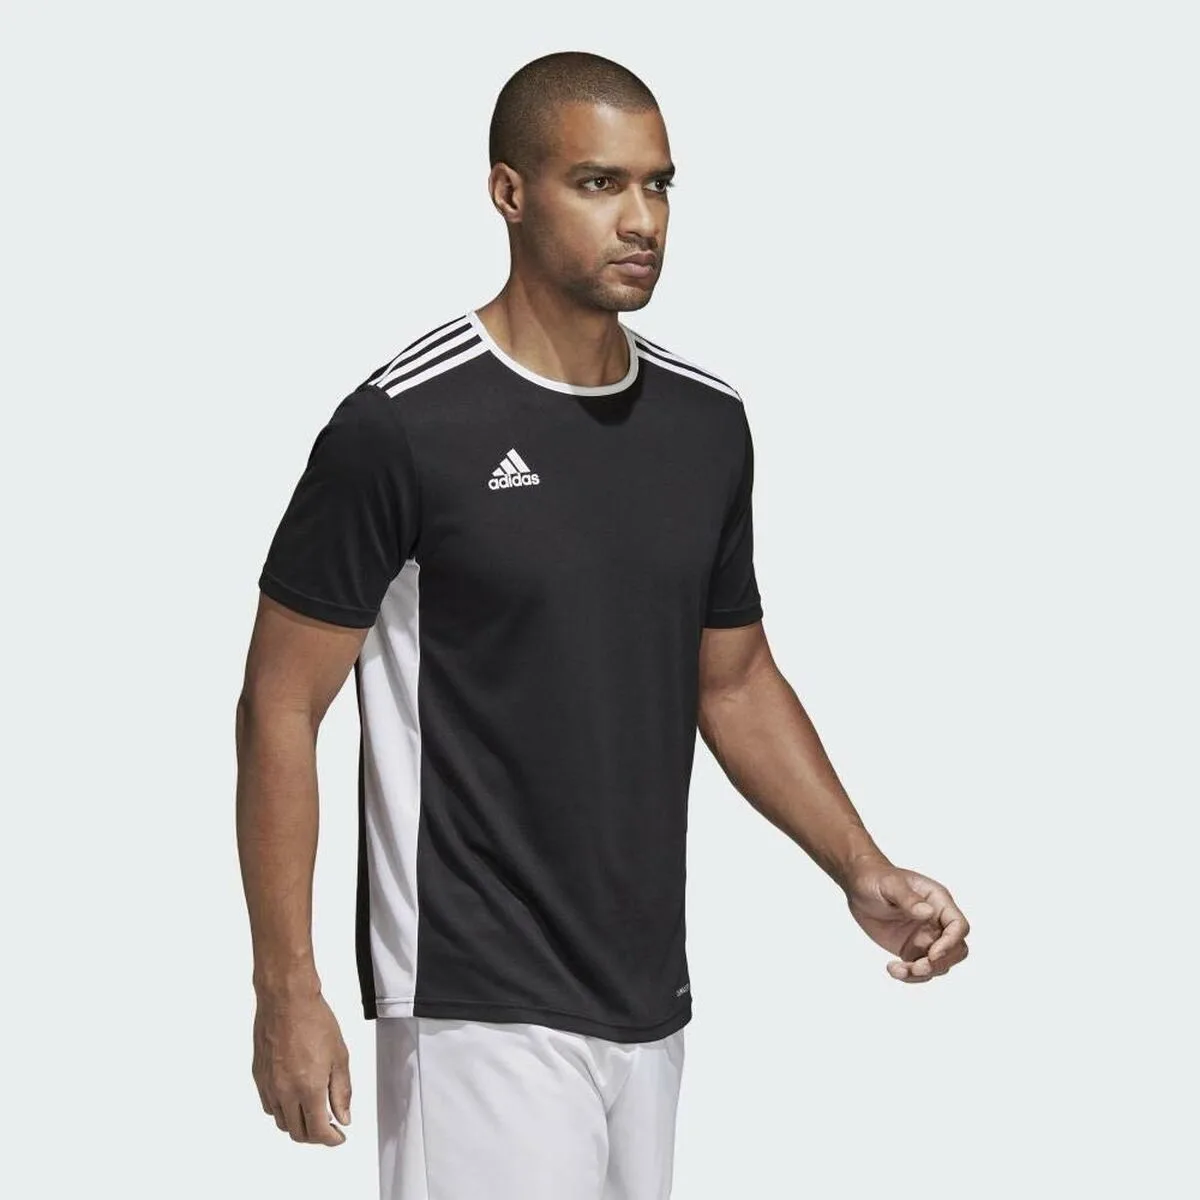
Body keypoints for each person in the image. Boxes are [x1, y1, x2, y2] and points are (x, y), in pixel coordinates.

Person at [235, 49, 970, 1200]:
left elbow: (733, 680)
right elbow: (280, 705)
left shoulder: (705, 422)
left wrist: (859, 865)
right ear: (509, 192)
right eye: (599, 183)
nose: (642, 219)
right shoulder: (403, 425)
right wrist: (288, 984)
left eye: (658, 184)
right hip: (475, 997)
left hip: (647, 997)